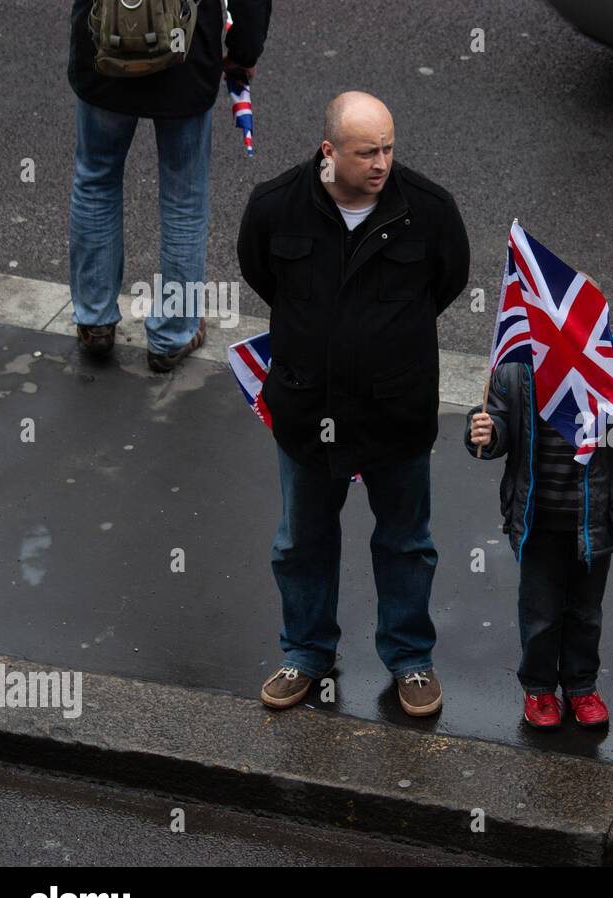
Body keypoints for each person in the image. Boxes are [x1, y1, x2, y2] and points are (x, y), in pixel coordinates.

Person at [237, 91, 470, 717]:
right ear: (329, 151)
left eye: (389, 148)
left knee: (406, 543)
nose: (382, 164)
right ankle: (306, 653)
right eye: (367, 152)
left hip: (396, 415)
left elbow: (447, 281)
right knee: (302, 541)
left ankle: (410, 660)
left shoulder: (429, 212)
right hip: (307, 413)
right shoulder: (275, 208)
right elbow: (261, 275)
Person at [465, 361, 613, 730]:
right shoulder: (515, 367)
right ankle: (540, 687)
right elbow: (496, 425)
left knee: (585, 612)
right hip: (538, 518)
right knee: (540, 612)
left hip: (594, 516)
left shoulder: (611, 357)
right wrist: (485, 432)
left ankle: (581, 685)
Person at [68, 0, 271, 370]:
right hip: (187, 47)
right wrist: (244, 50)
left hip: (104, 36)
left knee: (96, 177)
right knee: (184, 199)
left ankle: (94, 320)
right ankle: (172, 335)